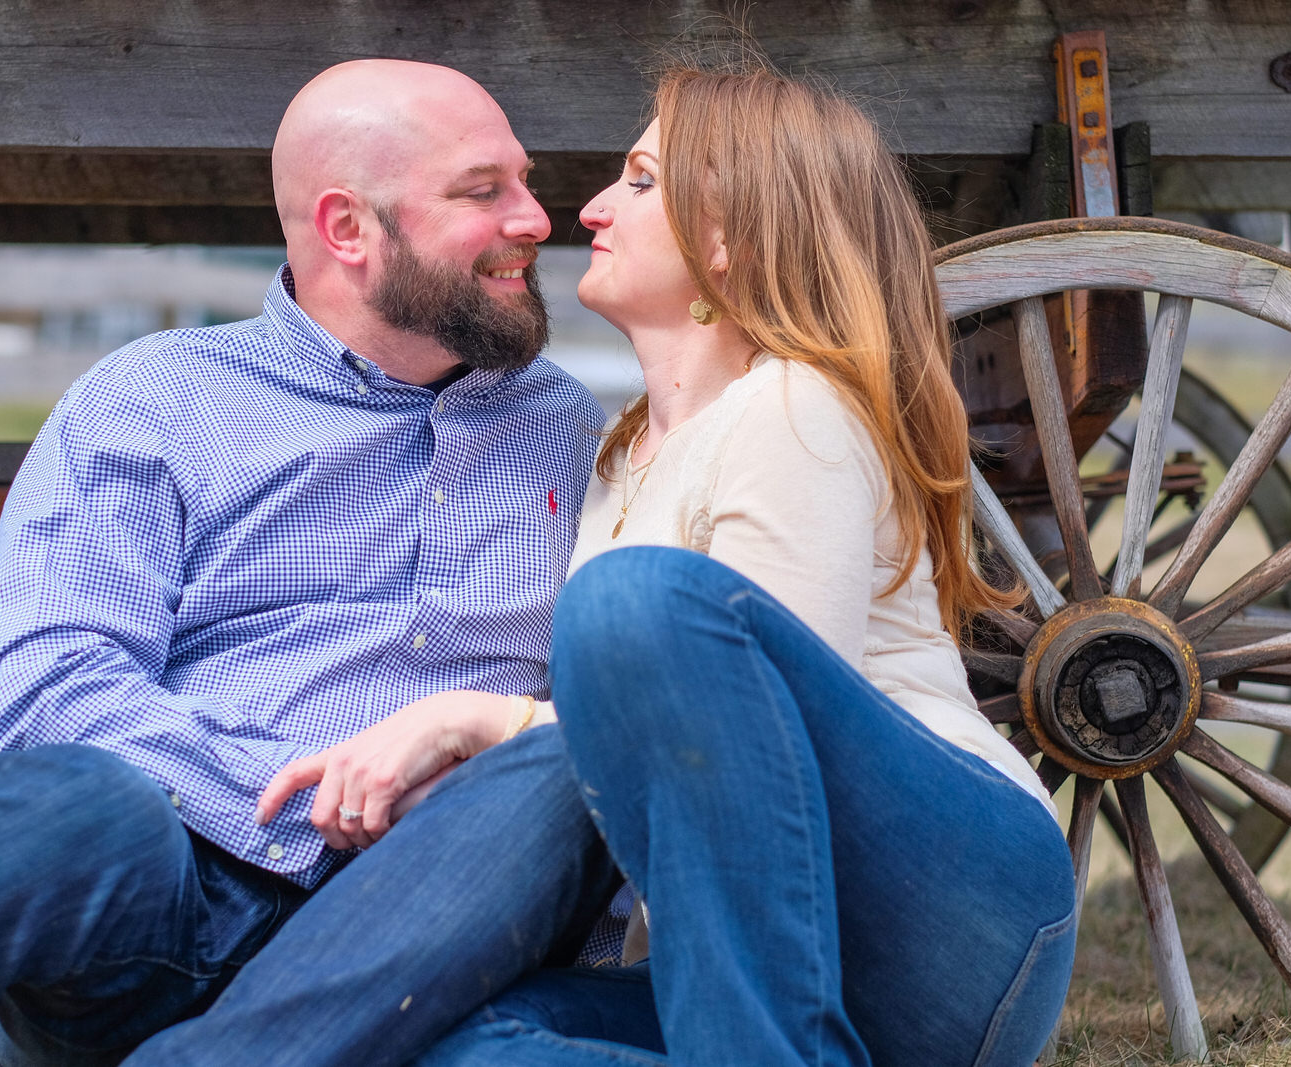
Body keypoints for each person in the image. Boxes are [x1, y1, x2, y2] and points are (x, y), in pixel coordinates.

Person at [0, 58, 613, 1067]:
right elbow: (43, 689)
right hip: (170, 896)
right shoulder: (155, 397)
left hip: (426, 929)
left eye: (523, 181)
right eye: (484, 191)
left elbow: (600, 722)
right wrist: (312, 810)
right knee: (78, 803)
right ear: (347, 228)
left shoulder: (565, 426)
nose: (535, 218)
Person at [414, 63, 1079, 1066]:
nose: (589, 207)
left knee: (638, 603)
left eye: (639, 181)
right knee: (455, 1040)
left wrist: (482, 719)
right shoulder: (613, 459)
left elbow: (760, 730)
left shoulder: (793, 403)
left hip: (949, 908)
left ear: (729, 239)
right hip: (761, 966)